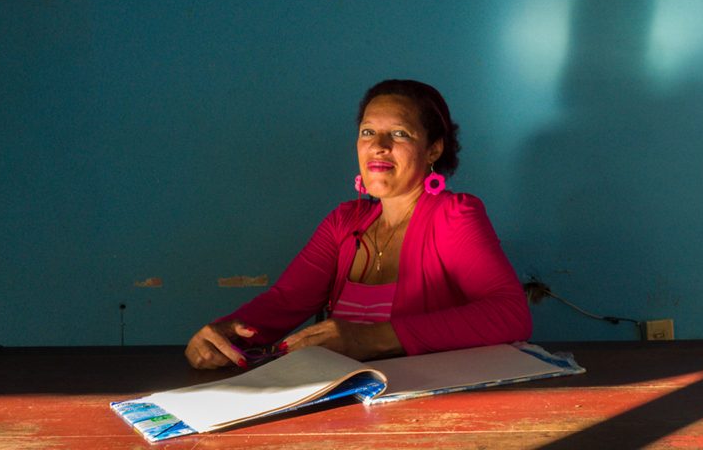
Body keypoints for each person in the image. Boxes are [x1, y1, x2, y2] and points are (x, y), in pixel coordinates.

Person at [184, 80, 531, 369]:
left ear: (433, 150)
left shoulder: (454, 215)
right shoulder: (343, 221)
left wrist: (369, 338)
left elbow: (511, 315)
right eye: (368, 132)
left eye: (399, 133)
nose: (378, 146)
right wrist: (226, 335)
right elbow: (285, 301)